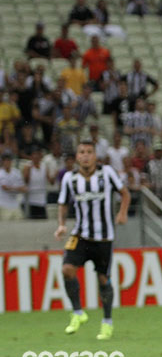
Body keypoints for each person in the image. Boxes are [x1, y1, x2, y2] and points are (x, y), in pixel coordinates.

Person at [55, 141, 131, 340]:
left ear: (95, 156)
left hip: (104, 237)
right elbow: (62, 203)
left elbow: (125, 193)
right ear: (77, 157)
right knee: (67, 270)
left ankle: (107, 322)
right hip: (80, 234)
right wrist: (61, 225)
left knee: (103, 279)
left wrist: (122, 212)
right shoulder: (70, 178)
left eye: (89, 152)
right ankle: (78, 313)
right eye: (82, 152)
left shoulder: (107, 173)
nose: (86, 155)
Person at [0, 153, 26, 220]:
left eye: (9, 160)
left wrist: (12, 188)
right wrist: (17, 188)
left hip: (15, 204)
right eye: (5, 160)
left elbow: (24, 188)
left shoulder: (17, 172)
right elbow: (5, 187)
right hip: (3, 205)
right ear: (2, 162)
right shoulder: (0, 173)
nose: (7, 162)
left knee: (20, 221)